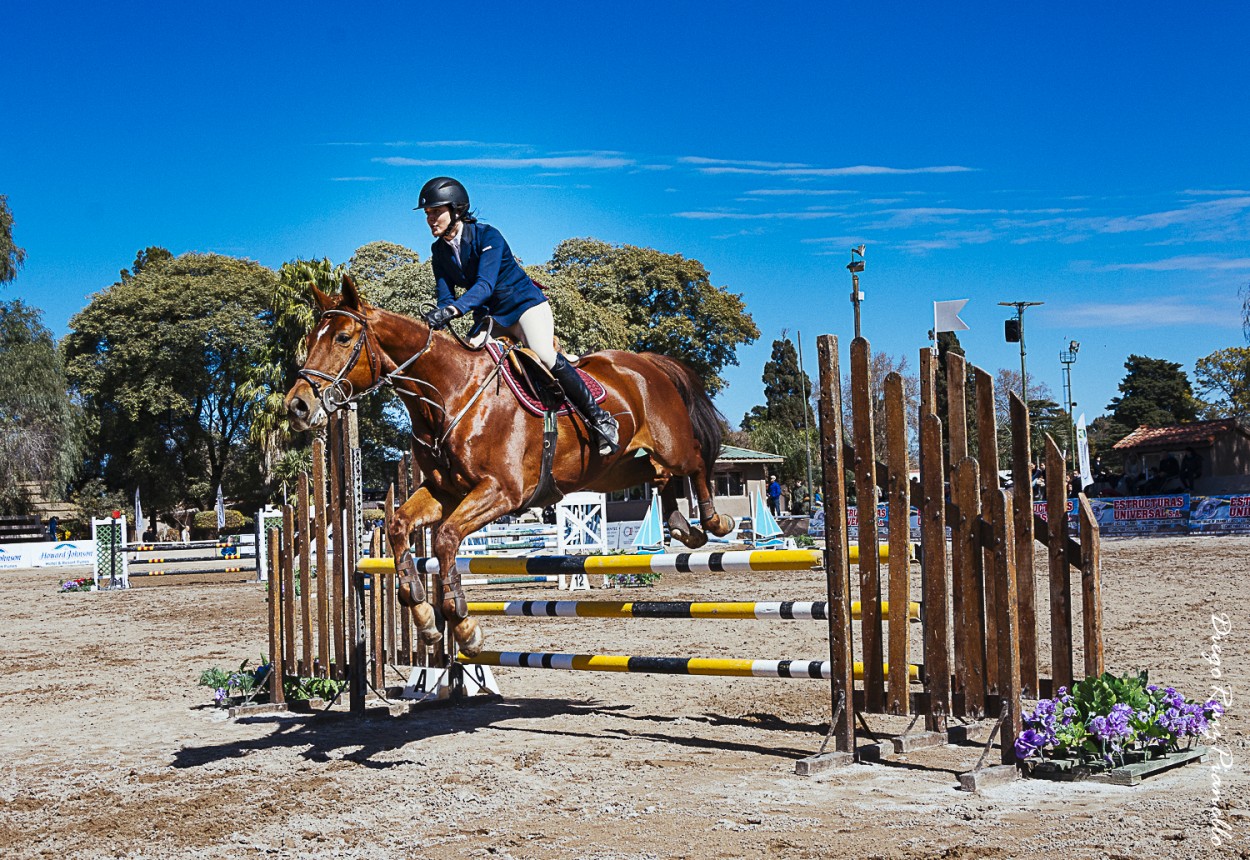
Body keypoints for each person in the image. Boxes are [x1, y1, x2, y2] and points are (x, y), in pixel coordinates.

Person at [416, 177, 619, 455]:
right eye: (428, 213)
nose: (430, 219)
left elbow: (484, 286)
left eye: (435, 211)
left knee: (544, 354)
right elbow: (446, 297)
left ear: (456, 210)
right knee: (469, 362)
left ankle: (600, 420)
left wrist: (453, 310)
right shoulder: (438, 251)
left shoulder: (489, 236)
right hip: (491, 317)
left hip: (524, 306)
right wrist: (438, 316)